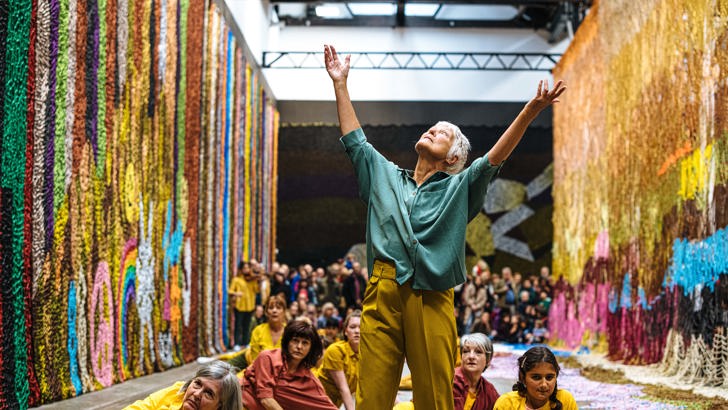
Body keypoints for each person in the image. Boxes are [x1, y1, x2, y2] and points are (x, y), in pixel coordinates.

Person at [324, 43, 566, 410]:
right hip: (382, 290)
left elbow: (493, 160)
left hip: (432, 294)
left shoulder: (460, 187)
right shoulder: (384, 174)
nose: (433, 130)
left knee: (436, 398)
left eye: (443, 133)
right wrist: (340, 84)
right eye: (432, 128)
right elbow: (356, 142)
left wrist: (531, 111)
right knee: (371, 397)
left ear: (454, 157)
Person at [241, 319, 338, 410]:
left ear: (310, 348)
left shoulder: (309, 380)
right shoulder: (267, 358)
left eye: (305, 343)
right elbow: (265, 399)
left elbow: (328, 406)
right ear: (287, 342)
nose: (299, 347)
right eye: (295, 340)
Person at [123, 360, 241, 410]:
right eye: (197, 384)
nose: (197, 394)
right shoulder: (177, 391)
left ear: (220, 406)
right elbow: (143, 406)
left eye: (209, 393)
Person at [493, 346, 577, 410]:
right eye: (536, 377)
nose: (544, 384)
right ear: (523, 378)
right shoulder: (507, 404)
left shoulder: (565, 400)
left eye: (549, 377)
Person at [316, 310, 361, 410]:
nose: (357, 331)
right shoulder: (336, 350)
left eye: (361, 327)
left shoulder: (367, 355)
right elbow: (343, 388)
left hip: (333, 404)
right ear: (345, 331)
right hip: (314, 399)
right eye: (352, 327)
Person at [228, 294, 287, 370]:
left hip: (278, 371)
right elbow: (255, 360)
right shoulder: (258, 330)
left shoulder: (289, 332)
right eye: (271, 308)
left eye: (278, 308)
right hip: (250, 361)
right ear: (266, 312)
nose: (274, 311)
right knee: (222, 370)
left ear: (284, 312)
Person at [454, 333, 499, 410]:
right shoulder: (451, 381)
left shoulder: (489, 391)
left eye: (478, 352)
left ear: (488, 360)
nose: (471, 356)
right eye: (466, 351)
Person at [228, 261, 259, 349]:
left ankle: (245, 342)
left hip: (250, 305)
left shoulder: (252, 280)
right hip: (239, 305)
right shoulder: (236, 280)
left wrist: (258, 281)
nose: (247, 270)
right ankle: (237, 343)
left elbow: (257, 290)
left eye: (248, 268)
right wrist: (236, 293)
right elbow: (230, 291)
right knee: (238, 325)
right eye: (245, 268)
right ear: (241, 270)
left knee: (247, 325)